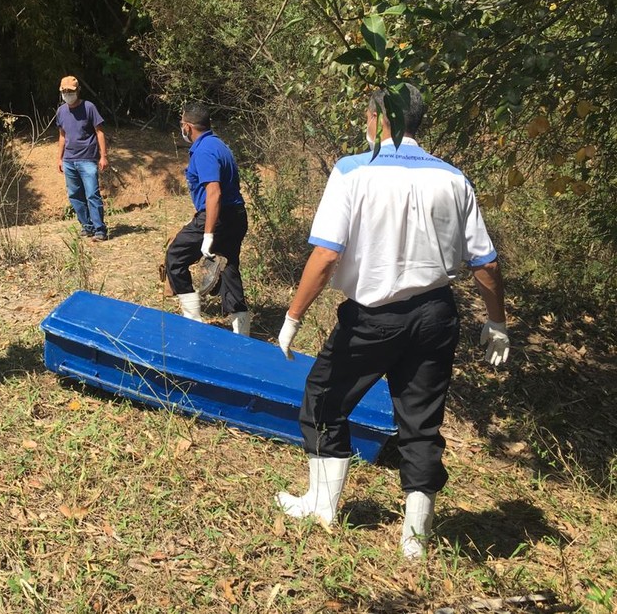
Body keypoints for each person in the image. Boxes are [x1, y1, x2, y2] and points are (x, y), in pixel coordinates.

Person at [274, 84, 509, 558]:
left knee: (324, 398)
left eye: (367, 115)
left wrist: (293, 315)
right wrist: (497, 322)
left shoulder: (353, 172)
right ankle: (415, 539)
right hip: (437, 315)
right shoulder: (453, 179)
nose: (364, 122)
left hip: (372, 319)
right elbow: (485, 263)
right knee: (421, 420)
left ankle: (322, 505)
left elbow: (325, 254)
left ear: (380, 120)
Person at [165, 103, 250, 334]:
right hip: (237, 215)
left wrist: (208, 234)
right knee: (228, 266)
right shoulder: (219, 145)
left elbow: (214, 193)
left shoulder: (203, 151)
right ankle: (241, 329)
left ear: (188, 126)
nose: (182, 128)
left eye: (182, 124)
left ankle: (193, 320)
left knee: (175, 256)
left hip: (217, 217)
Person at [56, 75, 109, 241]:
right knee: (75, 195)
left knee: (92, 194)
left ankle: (100, 230)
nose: (67, 94)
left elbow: (99, 131)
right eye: (64, 91)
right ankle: (87, 227)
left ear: (77, 90)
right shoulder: (61, 111)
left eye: (70, 91)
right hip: (69, 160)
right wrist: (59, 158)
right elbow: (62, 135)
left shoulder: (89, 107)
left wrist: (103, 156)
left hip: (87, 159)